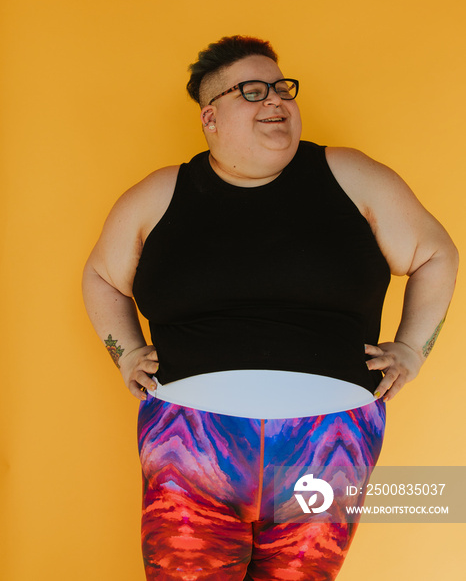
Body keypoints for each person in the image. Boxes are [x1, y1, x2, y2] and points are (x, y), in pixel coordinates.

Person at [82, 35, 458, 580]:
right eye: (253, 92)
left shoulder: (351, 176)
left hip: (328, 445)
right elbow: (100, 276)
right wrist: (126, 351)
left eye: (283, 88)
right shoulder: (158, 194)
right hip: (190, 447)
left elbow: (436, 254)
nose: (276, 100)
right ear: (210, 118)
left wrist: (412, 350)